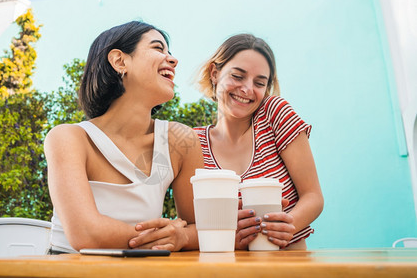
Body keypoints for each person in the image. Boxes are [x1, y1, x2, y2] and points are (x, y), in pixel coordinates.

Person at [44, 21, 203, 254]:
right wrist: (170, 238)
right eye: (158, 48)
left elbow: (202, 228)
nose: (173, 60)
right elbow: (85, 234)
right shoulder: (69, 138)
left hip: (139, 269)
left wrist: (182, 236)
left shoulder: (181, 140)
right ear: (119, 61)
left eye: (170, 52)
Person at [194, 34, 323, 250]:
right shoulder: (195, 143)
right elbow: (193, 223)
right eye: (237, 76)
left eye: (259, 83)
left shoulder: (274, 115)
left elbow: (313, 196)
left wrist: (289, 225)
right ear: (214, 73)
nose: (247, 89)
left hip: (288, 266)